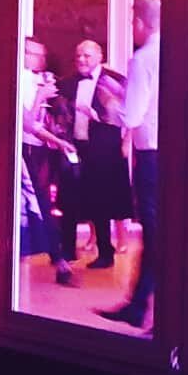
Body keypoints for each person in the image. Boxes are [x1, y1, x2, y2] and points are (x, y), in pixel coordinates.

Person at [99, 0, 161, 329]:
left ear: (142, 22)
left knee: (154, 232)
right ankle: (151, 305)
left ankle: (140, 307)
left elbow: (133, 115)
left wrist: (111, 103)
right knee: (167, 231)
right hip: (178, 153)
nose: (132, 27)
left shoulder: (143, 58)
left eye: (133, 20)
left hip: (151, 154)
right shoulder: (179, 53)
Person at [57, 40, 131, 272]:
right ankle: (67, 249)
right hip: (75, 146)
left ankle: (105, 252)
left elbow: (126, 115)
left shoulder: (114, 81)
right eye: (78, 55)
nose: (81, 59)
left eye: (87, 56)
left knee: (103, 201)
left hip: (105, 148)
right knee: (69, 196)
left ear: (99, 56)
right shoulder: (67, 83)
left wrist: (97, 116)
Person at [20, 37, 76, 285]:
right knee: (38, 202)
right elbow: (26, 122)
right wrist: (41, 94)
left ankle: (58, 256)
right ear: (23, 53)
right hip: (22, 148)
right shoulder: (18, 78)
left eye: (42, 55)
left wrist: (57, 138)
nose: (41, 60)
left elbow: (38, 123)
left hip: (39, 146)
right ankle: (58, 258)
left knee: (43, 201)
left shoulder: (35, 78)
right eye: (35, 54)